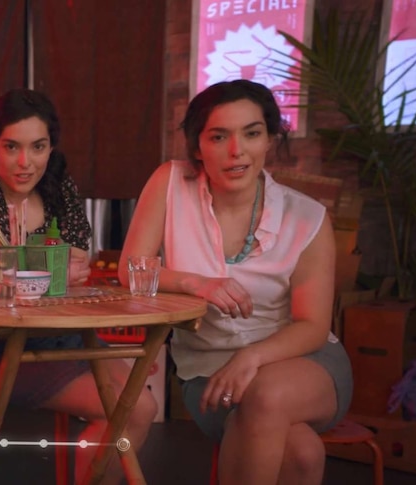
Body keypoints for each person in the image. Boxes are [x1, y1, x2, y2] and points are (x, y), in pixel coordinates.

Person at [119, 80, 352, 485]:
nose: (236, 151)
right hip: (208, 370)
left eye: (252, 133)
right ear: (197, 147)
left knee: (265, 394)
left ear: (269, 139)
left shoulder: (308, 217)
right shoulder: (170, 184)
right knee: (302, 452)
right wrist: (198, 283)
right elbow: (130, 271)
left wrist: (252, 358)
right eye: (218, 136)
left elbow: (313, 326)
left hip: (302, 364)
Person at [0, 88, 157, 484]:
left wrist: (53, 268)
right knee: (131, 410)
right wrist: (49, 270)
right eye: (11, 147)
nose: (25, 162)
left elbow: (78, 264)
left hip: (64, 335)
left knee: (145, 407)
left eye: (38, 147)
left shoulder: (57, 184)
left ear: (51, 146)